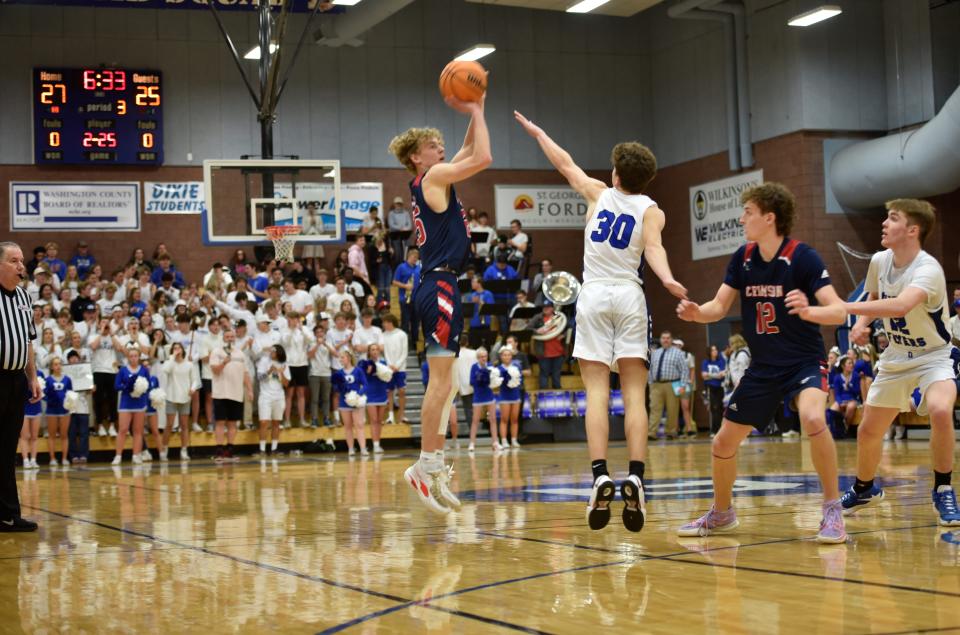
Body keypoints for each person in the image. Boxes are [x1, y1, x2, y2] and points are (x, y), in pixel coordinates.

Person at [515, 112, 687, 532]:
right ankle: (637, 477)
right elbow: (654, 250)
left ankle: (600, 475)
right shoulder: (652, 210)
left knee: (596, 389)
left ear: (615, 173)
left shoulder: (597, 192)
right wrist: (666, 279)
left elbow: (564, 162)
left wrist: (539, 132)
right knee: (634, 393)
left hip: (592, 295)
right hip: (630, 295)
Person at [675, 182, 848, 543]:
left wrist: (809, 309)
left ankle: (833, 510)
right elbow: (719, 307)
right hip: (763, 368)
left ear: (769, 218)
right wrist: (696, 314)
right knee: (722, 443)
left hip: (802, 362)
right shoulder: (743, 257)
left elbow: (838, 311)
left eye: (748, 212)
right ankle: (722, 513)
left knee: (814, 418)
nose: (742, 219)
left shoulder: (803, 257)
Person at [389, 89, 491, 515]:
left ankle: (432, 466)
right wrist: (478, 110)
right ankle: (425, 466)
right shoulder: (432, 178)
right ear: (417, 156)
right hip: (439, 286)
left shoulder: (435, 177)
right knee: (440, 383)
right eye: (434, 146)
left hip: (444, 284)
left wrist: (475, 108)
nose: (442, 149)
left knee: (446, 387)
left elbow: (470, 147)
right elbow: (482, 156)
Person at [840, 199, 960, 526]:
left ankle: (944, 489)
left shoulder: (928, 269)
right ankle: (865, 488)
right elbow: (874, 299)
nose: (883, 224)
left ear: (912, 230)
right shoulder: (879, 261)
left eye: (892, 219)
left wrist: (845, 309)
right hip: (895, 357)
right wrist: (861, 328)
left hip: (932, 357)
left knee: (939, 409)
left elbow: (900, 306)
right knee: (868, 431)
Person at [0, 242, 41, 530]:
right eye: (14, 261)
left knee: (7, 449)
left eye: (22, 261)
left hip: (15, 381)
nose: (20, 266)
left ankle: (8, 514)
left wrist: (33, 377)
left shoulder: (25, 298)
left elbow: (27, 342)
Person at [209, 327, 254, 462]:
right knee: (220, 422)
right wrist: (224, 362)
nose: (230, 339)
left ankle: (229, 451)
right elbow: (215, 371)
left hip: (236, 393)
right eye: (227, 336)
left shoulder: (240, 353)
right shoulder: (217, 352)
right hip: (221, 393)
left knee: (233, 423)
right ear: (223, 338)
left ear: (235, 338)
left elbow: (245, 373)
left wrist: (250, 389)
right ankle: (219, 451)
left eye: (232, 337)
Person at [113, 346, 151, 466]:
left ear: (139, 357)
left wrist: (141, 389)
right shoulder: (123, 370)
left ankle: (136, 455)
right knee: (123, 430)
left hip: (140, 403)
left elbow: (148, 385)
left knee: (138, 431)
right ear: (128, 357)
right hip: (126, 403)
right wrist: (127, 387)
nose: (133, 358)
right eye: (131, 356)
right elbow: (116, 385)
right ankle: (118, 456)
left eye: (135, 356)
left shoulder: (144, 370)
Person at [162, 342, 200, 461]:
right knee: (169, 425)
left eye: (178, 348)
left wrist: (192, 389)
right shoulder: (170, 363)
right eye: (174, 348)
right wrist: (172, 357)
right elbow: (165, 370)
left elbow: (195, 380)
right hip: (171, 397)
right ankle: (164, 449)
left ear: (183, 350)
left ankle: (184, 450)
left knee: (184, 426)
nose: (177, 350)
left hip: (185, 398)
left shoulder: (189, 364)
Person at [647, 332, 686, 439]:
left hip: (672, 384)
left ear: (671, 340)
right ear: (660, 340)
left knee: (672, 409)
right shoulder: (655, 353)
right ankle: (651, 433)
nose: (665, 340)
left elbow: (684, 370)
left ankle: (670, 432)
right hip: (656, 385)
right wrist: (650, 382)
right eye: (663, 338)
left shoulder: (678, 353)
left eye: (668, 338)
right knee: (654, 409)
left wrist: (682, 385)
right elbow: (650, 369)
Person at [257, 344, 290, 457]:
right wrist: (270, 371)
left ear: (279, 353)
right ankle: (262, 450)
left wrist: (280, 372)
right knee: (264, 422)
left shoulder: (284, 364)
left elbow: (286, 384)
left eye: (274, 351)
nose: (271, 352)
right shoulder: (264, 361)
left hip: (279, 396)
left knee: (276, 422)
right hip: (265, 395)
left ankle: (274, 449)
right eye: (271, 351)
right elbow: (260, 378)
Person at [332, 350, 368, 456]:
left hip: (356, 402)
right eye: (340, 358)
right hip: (344, 402)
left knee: (359, 425)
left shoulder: (358, 371)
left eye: (342, 357)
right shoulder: (338, 373)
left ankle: (363, 449)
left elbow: (365, 385)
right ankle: (351, 449)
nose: (340, 359)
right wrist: (340, 387)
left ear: (348, 358)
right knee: (347, 426)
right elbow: (336, 388)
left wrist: (357, 394)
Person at [280, 311, 313, 427]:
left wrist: (301, 329)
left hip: (302, 364)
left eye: (296, 319)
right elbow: (284, 343)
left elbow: (310, 340)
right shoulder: (284, 330)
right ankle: (287, 420)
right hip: (289, 365)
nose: (294, 321)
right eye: (292, 318)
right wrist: (292, 330)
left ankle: (302, 420)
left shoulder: (303, 329)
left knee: (301, 393)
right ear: (288, 319)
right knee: (289, 394)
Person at [360, 344, 391, 454]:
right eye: (372, 350)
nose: (375, 351)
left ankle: (378, 443)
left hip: (382, 393)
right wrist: (367, 372)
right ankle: (375, 445)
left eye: (376, 349)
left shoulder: (383, 363)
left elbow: (387, 377)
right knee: (373, 420)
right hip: (371, 395)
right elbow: (362, 378)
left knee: (379, 421)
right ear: (369, 352)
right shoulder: (365, 363)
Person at [44, 357, 72, 468]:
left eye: (60, 364)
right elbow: (44, 395)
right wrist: (51, 400)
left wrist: (69, 404)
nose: (58, 366)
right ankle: (52, 458)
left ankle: (64, 458)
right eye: (55, 364)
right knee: (52, 435)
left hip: (64, 411)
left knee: (64, 435)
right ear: (52, 367)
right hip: (52, 411)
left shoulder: (67, 379)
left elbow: (71, 394)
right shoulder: (48, 380)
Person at [530, 302, 566, 389]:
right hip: (543, 352)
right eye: (544, 307)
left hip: (558, 351)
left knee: (556, 373)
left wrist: (564, 335)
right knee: (544, 373)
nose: (545, 308)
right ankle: (543, 395)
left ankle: (558, 394)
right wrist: (537, 331)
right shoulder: (537, 318)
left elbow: (569, 328)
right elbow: (528, 328)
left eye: (548, 307)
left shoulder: (559, 317)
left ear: (552, 308)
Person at [381, 314, 409, 424]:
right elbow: (384, 352)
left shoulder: (402, 334)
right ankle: (391, 417)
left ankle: (402, 416)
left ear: (391, 322)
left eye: (385, 322)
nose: (384, 324)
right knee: (389, 392)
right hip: (388, 368)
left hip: (400, 368)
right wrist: (389, 365)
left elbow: (404, 352)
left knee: (402, 391)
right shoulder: (383, 335)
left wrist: (397, 365)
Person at [392, 247, 421, 347]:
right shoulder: (401, 267)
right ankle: (403, 344)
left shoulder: (418, 268)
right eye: (414, 257)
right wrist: (405, 286)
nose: (415, 259)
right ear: (409, 256)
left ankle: (414, 344)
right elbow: (394, 282)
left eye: (417, 257)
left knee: (416, 323)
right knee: (405, 321)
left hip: (416, 299)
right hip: (404, 299)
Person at [701, 345, 726, 436]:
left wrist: (710, 375)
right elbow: (703, 375)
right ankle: (714, 430)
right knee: (713, 409)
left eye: (716, 350)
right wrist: (716, 375)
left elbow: (723, 374)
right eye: (712, 350)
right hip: (710, 388)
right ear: (709, 352)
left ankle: (719, 430)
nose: (715, 351)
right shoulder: (705, 362)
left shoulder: (721, 361)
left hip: (720, 387)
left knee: (720, 408)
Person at [387, 195, 413, 267]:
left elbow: (409, 224)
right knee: (397, 255)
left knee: (407, 253)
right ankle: (398, 268)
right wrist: (400, 228)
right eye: (397, 204)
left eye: (400, 204)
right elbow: (391, 224)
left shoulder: (406, 213)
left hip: (405, 236)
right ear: (394, 204)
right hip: (395, 237)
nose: (398, 205)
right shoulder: (391, 213)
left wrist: (405, 229)